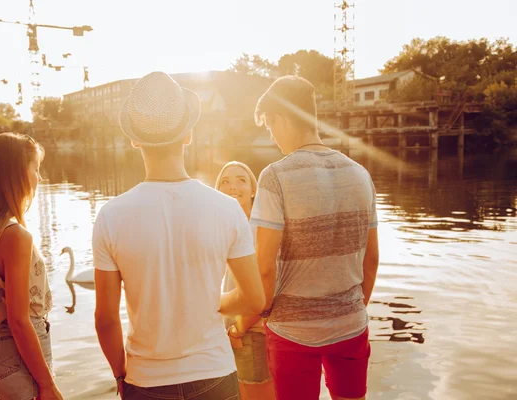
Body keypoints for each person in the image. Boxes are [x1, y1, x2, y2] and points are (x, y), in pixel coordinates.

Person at [93, 71, 265, 400]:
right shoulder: (227, 208)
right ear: (188, 135)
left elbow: (105, 319)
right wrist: (213, 302)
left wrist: (120, 374)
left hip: (145, 380)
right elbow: (254, 299)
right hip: (215, 373)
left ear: (134, 139)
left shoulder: (111, 216)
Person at [250, 76, 380, 400]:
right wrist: (350, 307)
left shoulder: (274, 177)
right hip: (351, 324)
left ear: (280, 118)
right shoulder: (360, 175)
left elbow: (263, 268)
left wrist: (263, 312)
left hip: (291, 331)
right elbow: (372, 260)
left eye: (269, 126)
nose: (272, 136)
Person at [0, 133, 62, 400]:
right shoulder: (15, 235)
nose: (39, 177)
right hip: (19, 354)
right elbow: (19, 320)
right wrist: (48, 385)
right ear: (17, 172)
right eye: (36, 168)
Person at [216, 161, 276, 400]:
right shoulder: (223, 228)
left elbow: (266, 284)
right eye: (225, 181)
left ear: (253, 190)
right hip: (232, 331)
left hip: (251, 333)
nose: (232, 186)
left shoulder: (260, 230)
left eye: (241, 180)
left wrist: (237, 330)